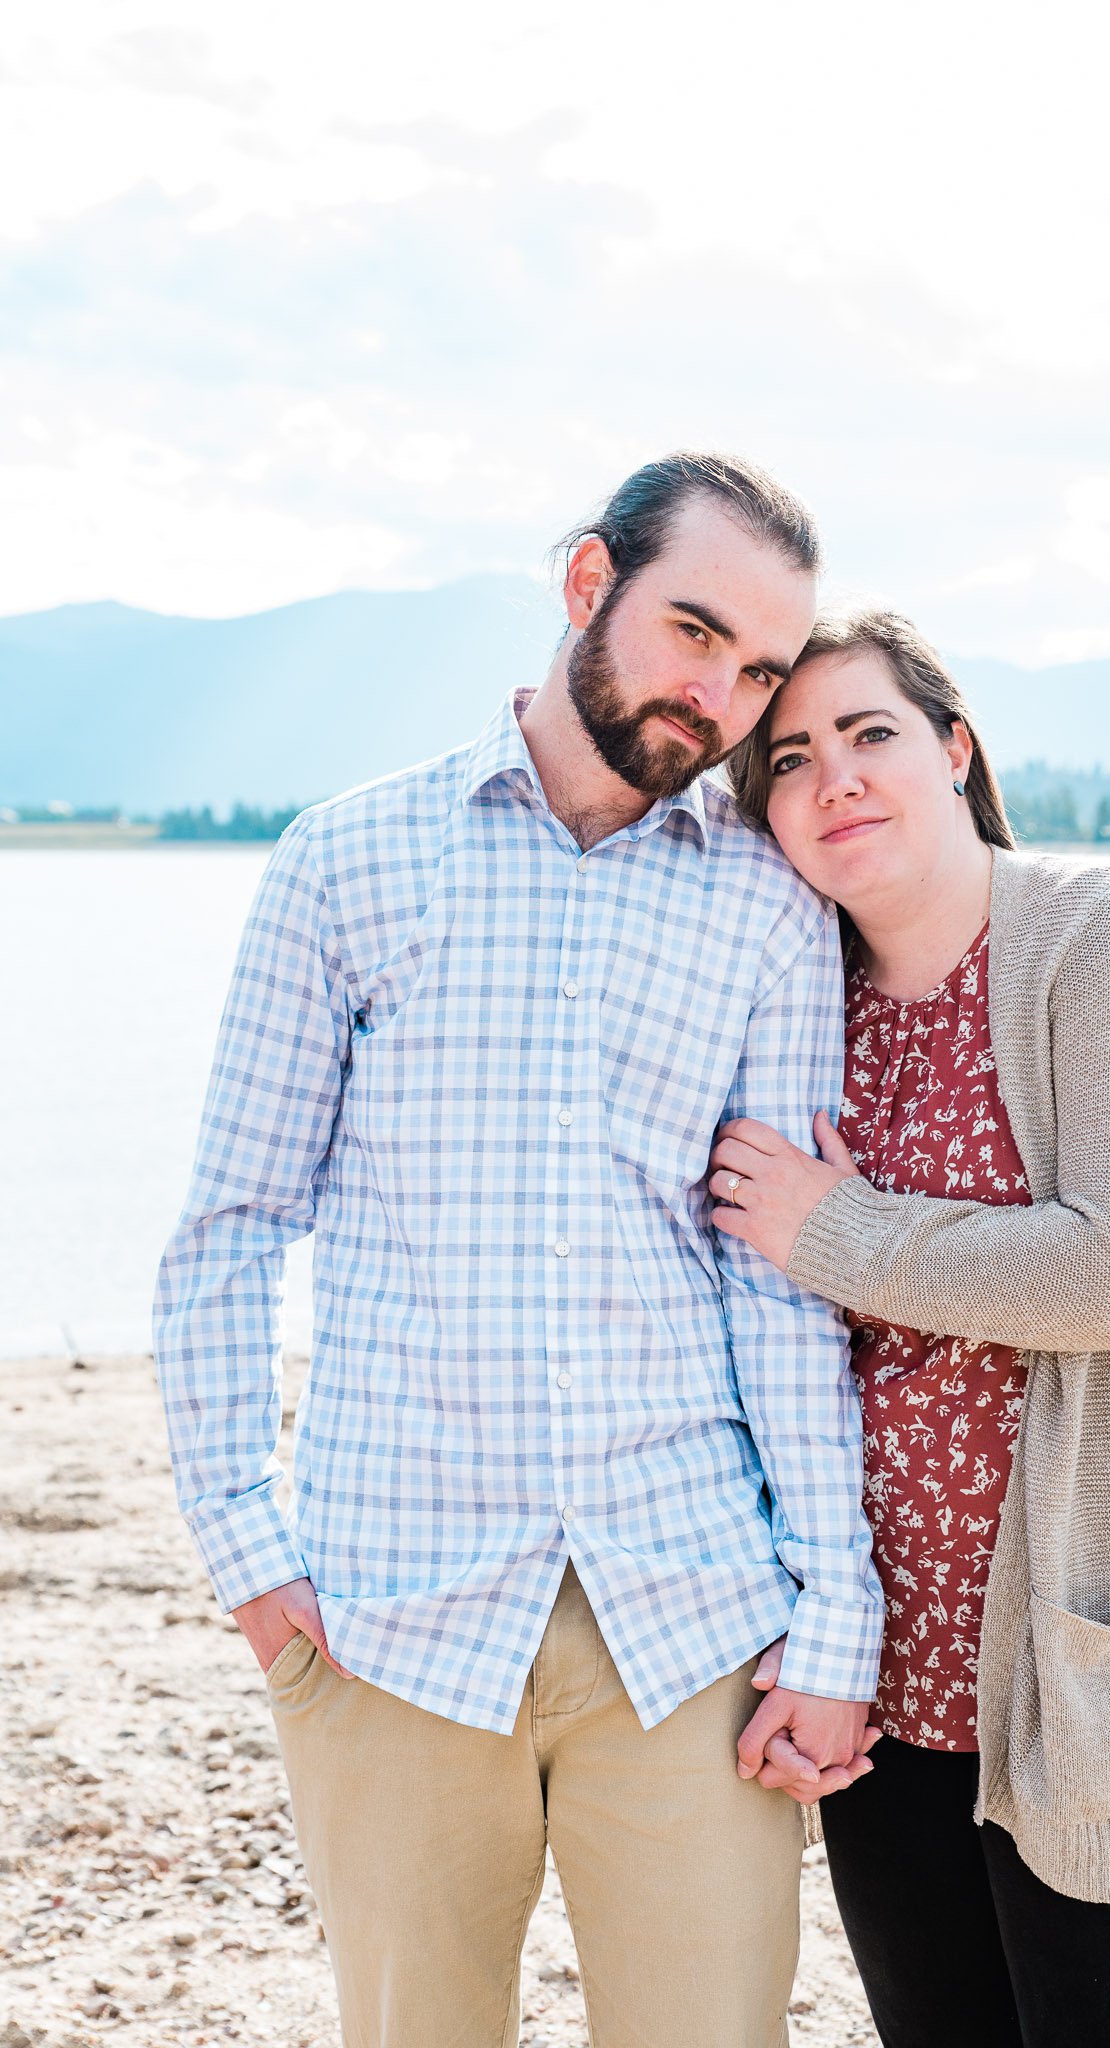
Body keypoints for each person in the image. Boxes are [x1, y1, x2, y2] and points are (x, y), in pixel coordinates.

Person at [154, 454, 885, 2048]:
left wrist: (836, 1614)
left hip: (689, 1617)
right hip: (387, 1614)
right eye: (695, 633)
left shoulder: (766, 908)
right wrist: (245, 1548)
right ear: (584, 583)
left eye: (758, 667)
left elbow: (778, 1282)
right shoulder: (345, 862)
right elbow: (229, 1229)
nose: (721, 695)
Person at [716, 606, 1110, 2048]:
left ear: (956, 752)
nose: (832, 776)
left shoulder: (1106, 935)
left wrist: (832, 1230)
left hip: (1102, 1648)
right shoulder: (800, 1005)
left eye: (870, 734)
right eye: (789, 758)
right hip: (882, 1660)